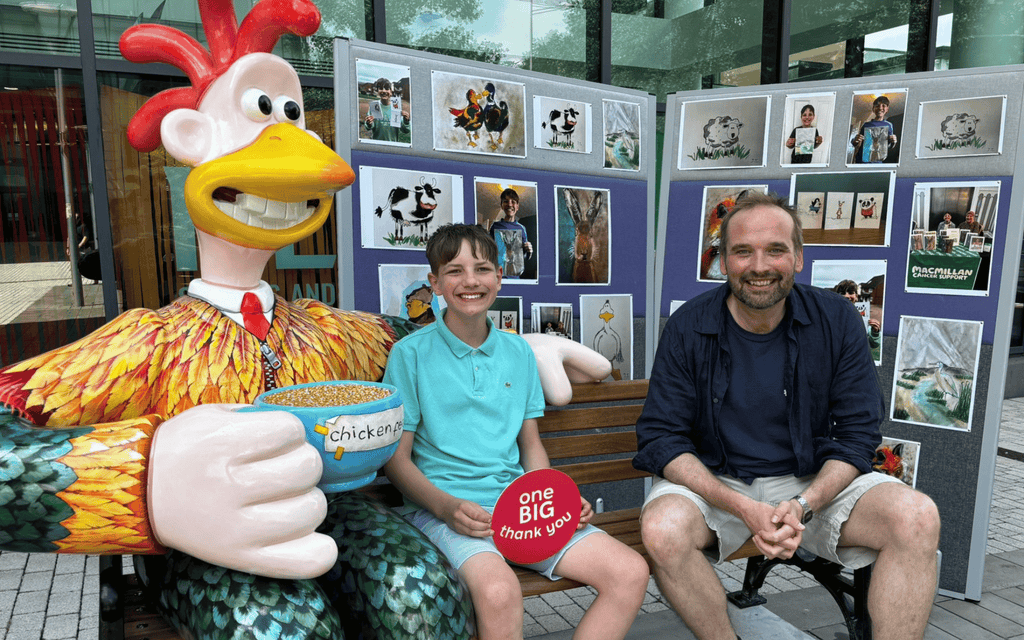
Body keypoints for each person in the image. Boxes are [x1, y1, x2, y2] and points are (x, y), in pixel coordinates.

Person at [633, 192, 940, 640]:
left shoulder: (835, 318)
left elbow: (857, 433)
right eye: (743, 251)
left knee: (917, 517)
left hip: (811, 482)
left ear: (798, 257)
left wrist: (803, 504)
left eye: (775, 250)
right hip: (720, 485)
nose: (759, 266)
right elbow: (661, 437)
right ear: (723, 261)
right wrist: (744, 507)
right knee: (662, 529)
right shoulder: (688, 325)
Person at [384, 224, 648, 640]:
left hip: (521, 508)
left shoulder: (518, 351)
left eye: (482, 269)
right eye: (454, 271)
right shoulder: (409, 355)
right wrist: (446, 507)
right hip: (446, 514)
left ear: (499, 277)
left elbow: (531, 445)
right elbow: (397, 461)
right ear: (434, 283)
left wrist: (554, 498)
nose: (470, 281)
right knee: (499, 592)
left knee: (629, 572)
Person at [489, 187, 534, 278]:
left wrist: (529, 251)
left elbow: (523, 257)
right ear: (502, 205)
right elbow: (489, 251)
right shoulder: (495, 226)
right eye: (506, 201)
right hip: (497, 276)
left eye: (513, 202)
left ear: (517, 206)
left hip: (515, 277)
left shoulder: (522, 228)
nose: (509, 204)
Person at [833, 279, 881, 353]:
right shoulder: (830, 315)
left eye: (850, 292)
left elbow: (873, 344)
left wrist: (875, 332)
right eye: (842, 293)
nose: (846, 296)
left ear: (856, 296)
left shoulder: (864, 318)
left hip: (856, 356)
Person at [852, 95, 897, 163]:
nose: (880, 108)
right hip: (861, 161)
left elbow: (889, 146)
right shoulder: (866, 125)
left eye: (883, 105)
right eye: (877, 106)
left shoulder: (889, 125)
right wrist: (855, 140)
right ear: (873, 108)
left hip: (876, 162)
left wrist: (894, 142)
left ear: (887, 109)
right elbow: (856, 143)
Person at [363, 77, 409, 142]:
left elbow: (405, 130)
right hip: (377, 143)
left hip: (393, 144)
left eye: (387, 89)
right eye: (381, 88)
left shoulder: (396, 106)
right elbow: (369, 127)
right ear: (377, 91)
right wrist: (369, 123)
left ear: (391, 92)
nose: (384, 91)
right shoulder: (374, 106)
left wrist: (406, 121)